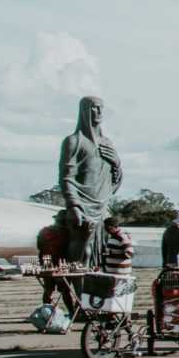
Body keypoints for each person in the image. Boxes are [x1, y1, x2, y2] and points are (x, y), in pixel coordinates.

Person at [58, 95, 123, 268]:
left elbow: (113, 185)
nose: (99, 111)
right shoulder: (74, 142)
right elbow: (66, 177)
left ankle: (92, 290)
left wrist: (117, 164)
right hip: (83, 208)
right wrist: (74, 205)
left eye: (102, 107)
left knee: (100, 252)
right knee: (82, 252)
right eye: (95, 107)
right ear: (84, 111)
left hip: (101, 209)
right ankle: (76, 290)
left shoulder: (107, 144)